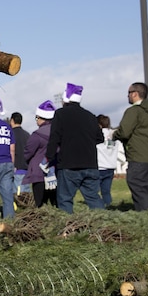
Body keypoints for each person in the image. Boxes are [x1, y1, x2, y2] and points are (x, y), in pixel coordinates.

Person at [45, 83, 104, 213]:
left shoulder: (60, 114)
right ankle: (104, 227)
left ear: (66, 97)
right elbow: (100, 138)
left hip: (69, 164)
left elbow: (54, 138)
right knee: (94, 198)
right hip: (90, 164)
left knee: (65, 199)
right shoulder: (90, 116)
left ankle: (68, 230)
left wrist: (49, 157)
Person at [113, 81, 148, 211]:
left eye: (128, 93)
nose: (127, 96)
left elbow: (124, 132)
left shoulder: (133, 111)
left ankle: (145, 221)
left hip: (139, 157)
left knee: (139, 186)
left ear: (135, 94)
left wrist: (113, 135)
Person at [23, 101, 58, 208]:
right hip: (55, 173)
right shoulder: (59, 132)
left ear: (40, 117)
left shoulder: (37, 135)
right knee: (56, 204)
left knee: (40, 205)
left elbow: (28, 153)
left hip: (39, 174)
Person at [95, 114, 121, 208]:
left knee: (93, 191)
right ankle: (109, 206)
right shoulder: (113, 134)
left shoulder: (98, 134)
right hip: (111, 166)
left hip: (100, 165)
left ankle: (98, 207)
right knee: (106, 191)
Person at [9, 111, 31, 195]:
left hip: (15, 168)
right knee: (26, 194)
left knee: (17, 195)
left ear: (12, 120)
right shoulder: (27, 135)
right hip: (25, 168)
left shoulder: (10, 134)